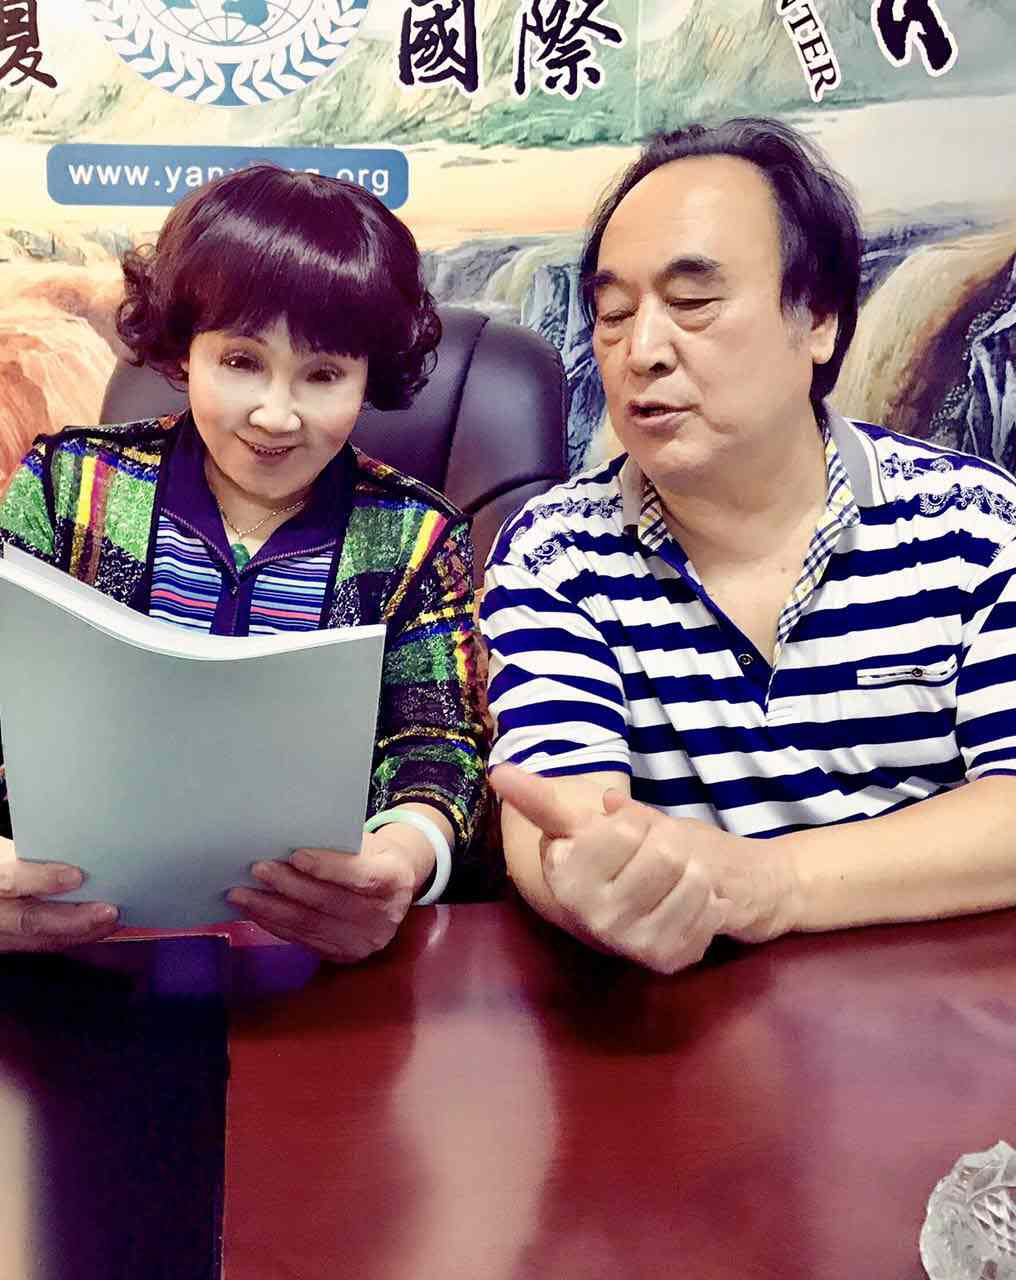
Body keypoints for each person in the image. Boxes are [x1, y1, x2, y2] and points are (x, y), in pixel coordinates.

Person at [481, 117, 1016, 974]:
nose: (641, 352)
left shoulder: (974, 527)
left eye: (693, 303)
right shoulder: (557, 553)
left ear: (820, 321)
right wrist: (584, 884)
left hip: (941, 1014)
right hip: (683, 1018)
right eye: (613, 315)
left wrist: (776, 884)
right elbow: (561, 812)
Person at [0, 165, 487, 956]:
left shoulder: (415, 536)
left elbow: (437, 745)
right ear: (184, 350)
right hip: (74, 944)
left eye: (323, 375)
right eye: (241, 362)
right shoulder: (68, 487)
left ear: (369, 376)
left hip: (311, 960)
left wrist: (402, 860)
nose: (276, 415)